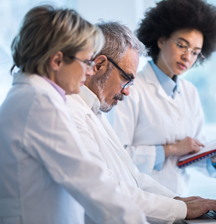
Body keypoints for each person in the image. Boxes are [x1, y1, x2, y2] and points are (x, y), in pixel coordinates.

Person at [66, 21, 216, 224]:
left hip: (162, 204)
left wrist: (179, 200)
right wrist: (180, 205)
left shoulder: (95, 108)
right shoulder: (76, 110)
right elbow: (106, 188)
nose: (127, 90)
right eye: (181, 45)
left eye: (195, 51)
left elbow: (132, 176)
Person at [0, 6, 148, 224]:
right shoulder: (40, 103)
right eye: (86, 61)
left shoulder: (27, 96)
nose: (90, 71)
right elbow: (92, 183)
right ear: (57, 61)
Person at [113, 0, 216, 196]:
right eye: (182, 45)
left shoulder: (190, 92)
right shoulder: (131, 88)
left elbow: (192, 153)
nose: (187, 56)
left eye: (195, 52)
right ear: (161, 40)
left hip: (180, 202)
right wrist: (171, 149)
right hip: (141, 205)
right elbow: (117, 156)